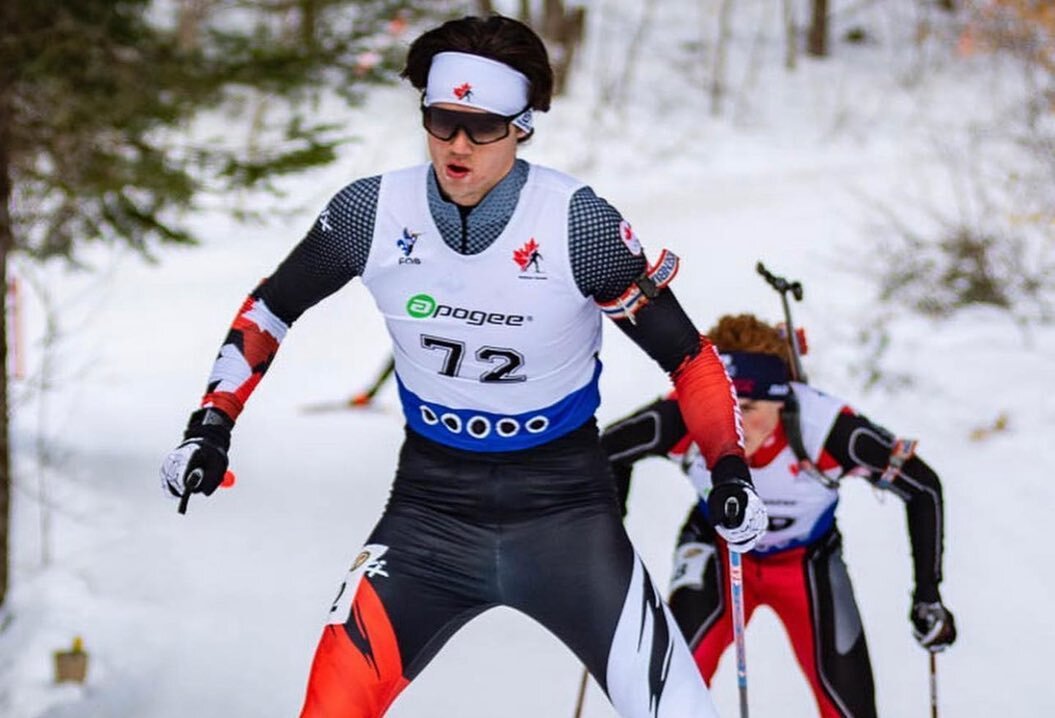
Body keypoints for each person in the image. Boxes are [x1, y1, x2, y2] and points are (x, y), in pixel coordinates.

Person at [159, 15, 768, 718]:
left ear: (521, 127)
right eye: (442, 120)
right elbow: (270, 308)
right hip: (429, 514)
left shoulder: (577, 225)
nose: (457, 144)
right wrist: (211, 425)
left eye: (481, 127)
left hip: (564, 511)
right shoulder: (370, 213)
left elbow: (688, 360)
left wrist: (728, 466)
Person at [601, 313, 957, 718]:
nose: (729, 426)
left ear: (780, 398)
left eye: (747, 408)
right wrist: (608, 544)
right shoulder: (682, 414)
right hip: (718, 550)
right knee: (664, 695)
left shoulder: (825, 428)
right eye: (719, 406)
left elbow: (923, 487)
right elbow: (606, 452)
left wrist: (927, 592)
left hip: (806, 561)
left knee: (851, 707)